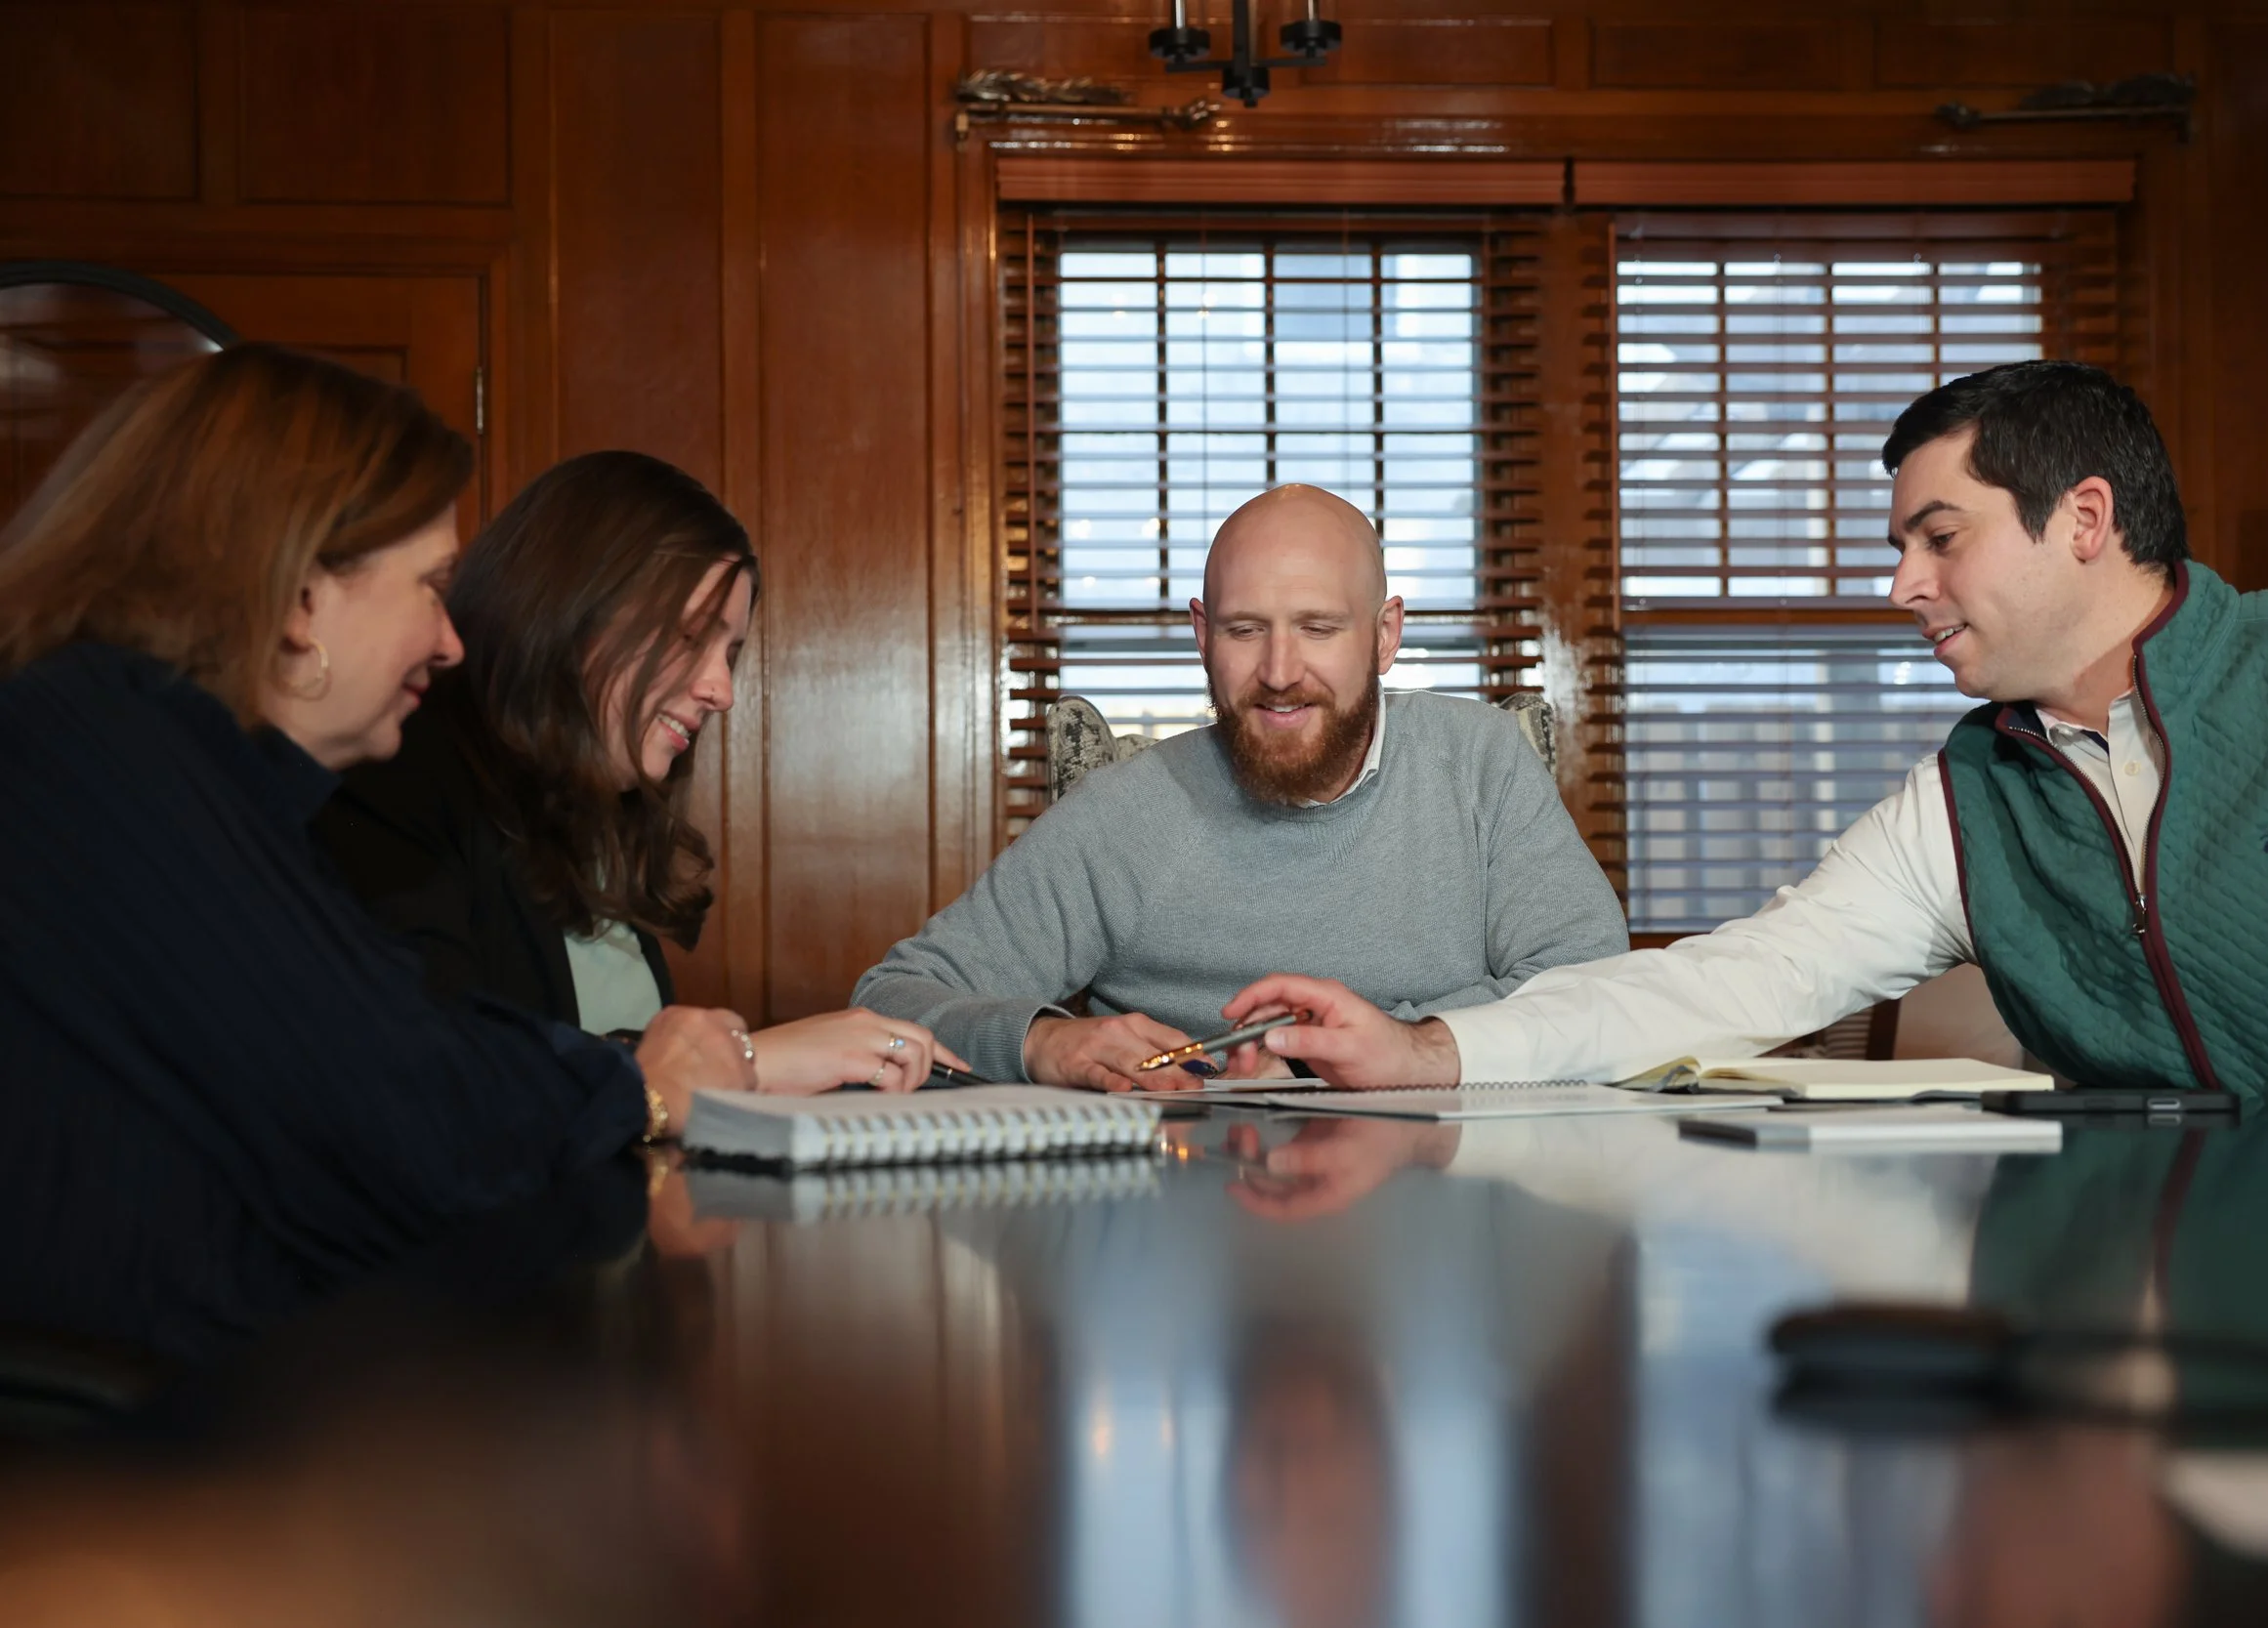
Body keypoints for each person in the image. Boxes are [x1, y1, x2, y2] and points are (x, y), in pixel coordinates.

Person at [1224, 361, 2268, 1108]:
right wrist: (1424, 1050)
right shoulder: (1963, 800)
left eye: (1939, 536)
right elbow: (1728, 981)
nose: (1901, 583)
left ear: (2083, 519)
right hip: (2144, 1319)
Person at [0, 344, 767, 1296]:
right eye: (431, 587)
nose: (451, 640)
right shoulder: (102, 742)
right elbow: (390, 1095)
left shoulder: (166, 757)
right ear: (301, 592)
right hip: (142, 1428)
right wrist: (642, 1089)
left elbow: (395, 1050)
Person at [852, 483, 1627, 1091]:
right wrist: (1044, 1039)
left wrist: (1383, 1046)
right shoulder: (1124, 813)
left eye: (1319, 628)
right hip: (1189, 1210)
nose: (1281, 672)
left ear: (1385, 635)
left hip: (1451, 1209)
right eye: (1244, 629)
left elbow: (1595, 986)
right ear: (1201, 634)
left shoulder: (1482, 764)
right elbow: (889, 998)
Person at [316, 451, 960, 1092]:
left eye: (729, 653)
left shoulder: (600, 830)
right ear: (570, 609)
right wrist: (747, 1064)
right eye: (689, 638)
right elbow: (434, 1082)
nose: (721, 690)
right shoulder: (393, 786)